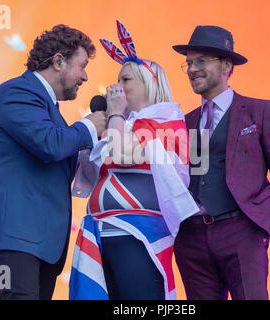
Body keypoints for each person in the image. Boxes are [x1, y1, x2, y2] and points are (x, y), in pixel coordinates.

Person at [0, 25, 107, 300]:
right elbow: (50, 145)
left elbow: (56, 156)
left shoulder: (48, 109)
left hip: (40, 242)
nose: (85, 76)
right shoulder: (17, 93)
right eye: (82, 66)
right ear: (59, 61)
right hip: (14, 237)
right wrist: (88, 126)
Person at [69, 20, 198, 300]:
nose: (117, 86)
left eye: (126, 79)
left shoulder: (166, 121)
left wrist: (115, 114)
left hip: (140, 234)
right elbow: (90, 170)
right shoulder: (123, 124)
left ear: (150, 84)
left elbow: (123, 155)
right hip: (104, 233)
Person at [172, 25, 270, 300]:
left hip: (242, 232)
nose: (192, 69)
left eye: (201, 61)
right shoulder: (185, 121)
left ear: (227, 65)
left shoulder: (260, 110)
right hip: (192, 238)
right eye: (189, 63)